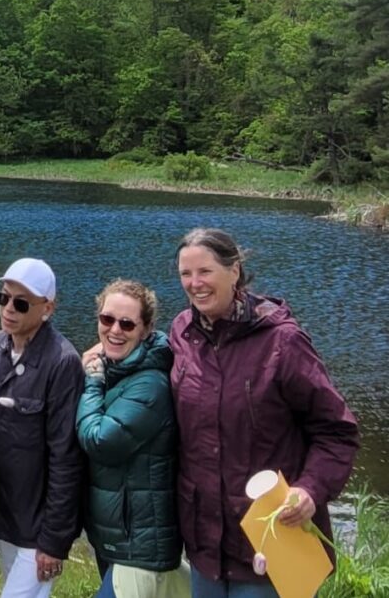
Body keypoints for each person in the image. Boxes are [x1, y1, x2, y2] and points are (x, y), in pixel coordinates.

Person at [170, 228, 360, 597]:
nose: (194, 283)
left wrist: (310, 489)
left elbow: (337, 432)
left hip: (273, 540)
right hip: (205, 541)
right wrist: (106, 358)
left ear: (234, 271)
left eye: (205, 271)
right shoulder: (182, 332)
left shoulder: (282, 342)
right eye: (185, 274)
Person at [0, 258, 83, 598]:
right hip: (4, 515)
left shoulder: (63, 362)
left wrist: (54, 539)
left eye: (21, 303)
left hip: (39, 527)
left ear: (47, 308)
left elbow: (67, 458)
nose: (8, 309)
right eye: (2, 298)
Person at [76, 279, 189, 598]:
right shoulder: (118, 369)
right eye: (107, 319)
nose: (115, 330)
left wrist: (92, 382)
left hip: (139, 547)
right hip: (119, 539)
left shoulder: (150, 385)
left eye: (127, 324)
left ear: (146, 329)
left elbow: (100, 441)